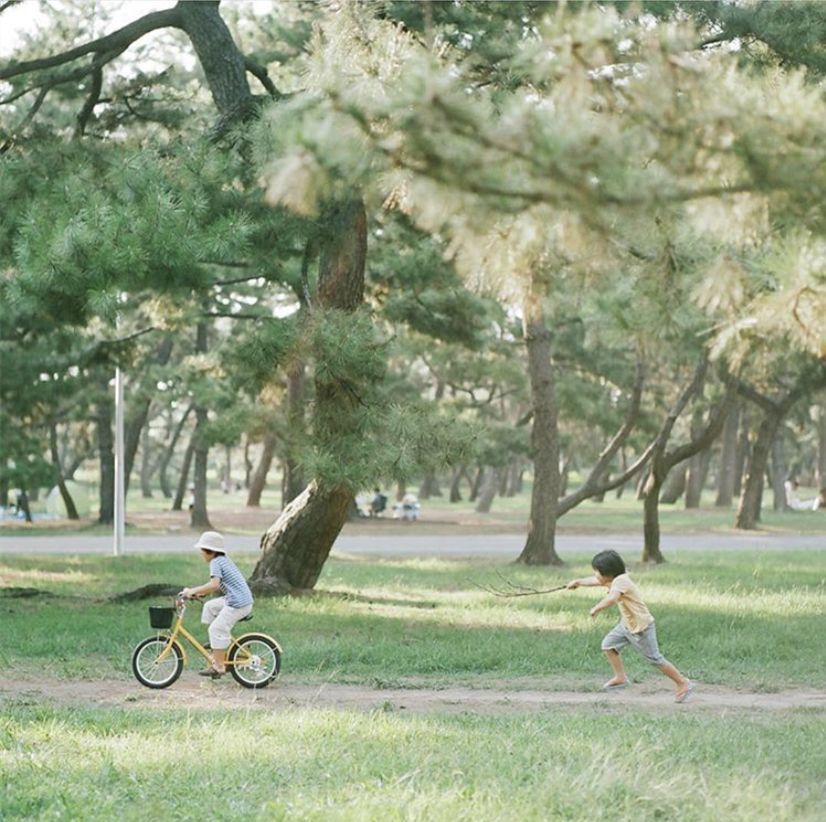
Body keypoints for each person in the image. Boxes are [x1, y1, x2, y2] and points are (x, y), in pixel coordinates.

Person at [566, 549, 693, 703]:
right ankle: (620, 677)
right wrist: (578, 582)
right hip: (626, 625)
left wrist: (597, 608)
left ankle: (682, 682)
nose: (595, 575)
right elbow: (594, 581)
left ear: (608, 573)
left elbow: (612, 598)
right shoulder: (613, 579)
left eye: (597, 572)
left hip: (641, 628)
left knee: (655, 659)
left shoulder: (621, 582)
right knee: (608, 645)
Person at [180, 531, 253, 679]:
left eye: (202, 550)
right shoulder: (223, 560)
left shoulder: (215, 562)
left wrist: (192, 591)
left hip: (238, 603)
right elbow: (221, 585)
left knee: (216, 628)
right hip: (238, 599)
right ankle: (217, 642)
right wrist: (200, 593)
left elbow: (214, 585)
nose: (201, 553)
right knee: (209, 606)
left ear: (210, 551)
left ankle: (219, 667)